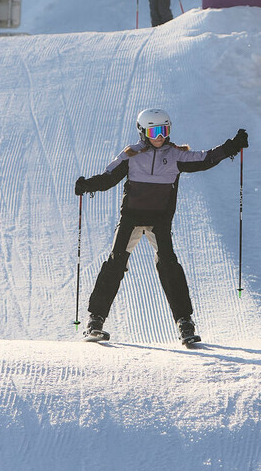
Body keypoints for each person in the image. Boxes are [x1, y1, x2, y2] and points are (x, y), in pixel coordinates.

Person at [74, 108, 248, 344]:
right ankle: (95, 320)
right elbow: (108, 178)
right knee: (115, 263)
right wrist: (87, 185)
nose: (160, 137)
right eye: (154, 131)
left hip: (160, 220)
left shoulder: (176, 156)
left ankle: (185, 323)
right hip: (131, 218)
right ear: (142, 132)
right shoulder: (130, 155)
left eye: (164, 131)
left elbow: (206, 158)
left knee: (169, 266)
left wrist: (232, 146)